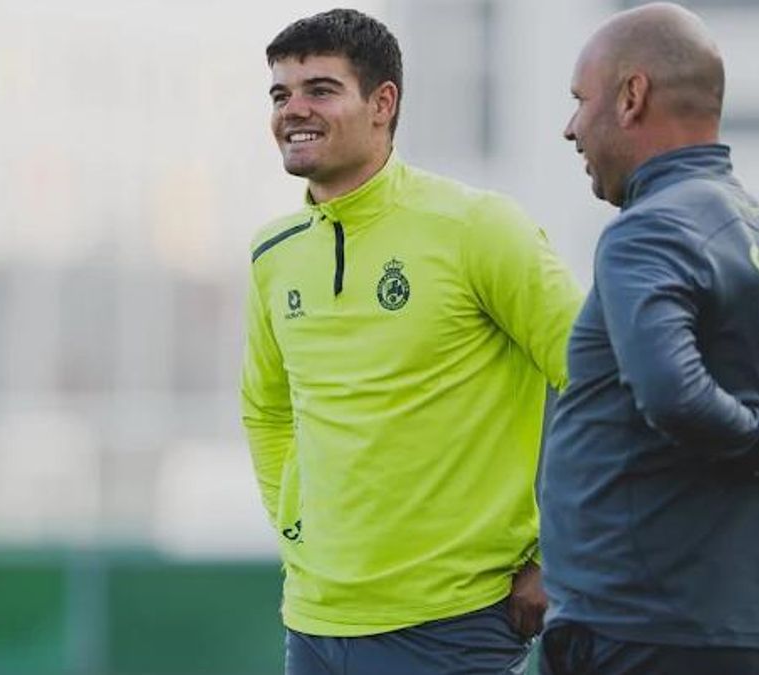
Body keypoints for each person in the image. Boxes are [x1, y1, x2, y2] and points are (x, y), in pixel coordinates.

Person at [538, 4, 759, 674]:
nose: (570, 127)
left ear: (631, 97)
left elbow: (673, 393)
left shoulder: (647, 232)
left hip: (636, 634)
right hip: (748, 635)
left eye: (578, 101)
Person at [240, 8, 583, 675]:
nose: (293, 110)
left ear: (382, 102)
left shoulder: (479, 227)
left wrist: (559, 552)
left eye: (320, 89)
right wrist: (297, 531)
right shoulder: (272, 254)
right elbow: (267, 408)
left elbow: (601, 381)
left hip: (453, 623)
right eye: (280, 94)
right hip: (313, 623)